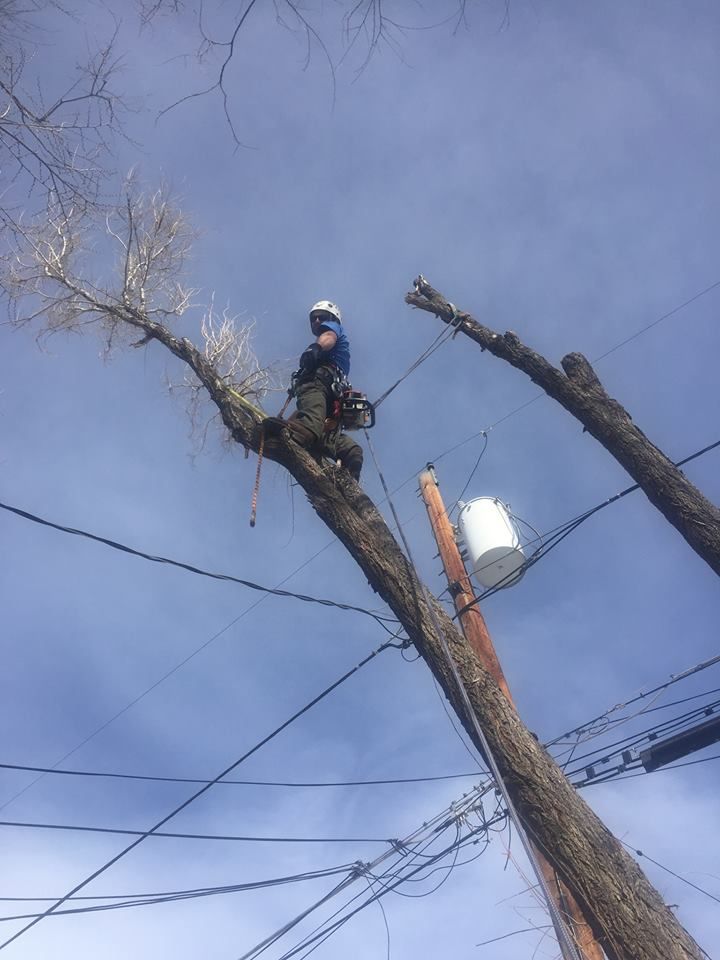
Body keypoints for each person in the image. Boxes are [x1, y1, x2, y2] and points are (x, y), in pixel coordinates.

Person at [264, 300, 364, 480]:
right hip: (332, 400)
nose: (316, 321)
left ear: (332, 318)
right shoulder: (340, 351)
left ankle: (297, 433)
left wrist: (315, 348)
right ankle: (350, 464)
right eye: (313, 319)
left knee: (308, 425)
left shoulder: (333, 330)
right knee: (350, 449)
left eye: (321, 317)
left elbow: (328, 336)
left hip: (319, 384)